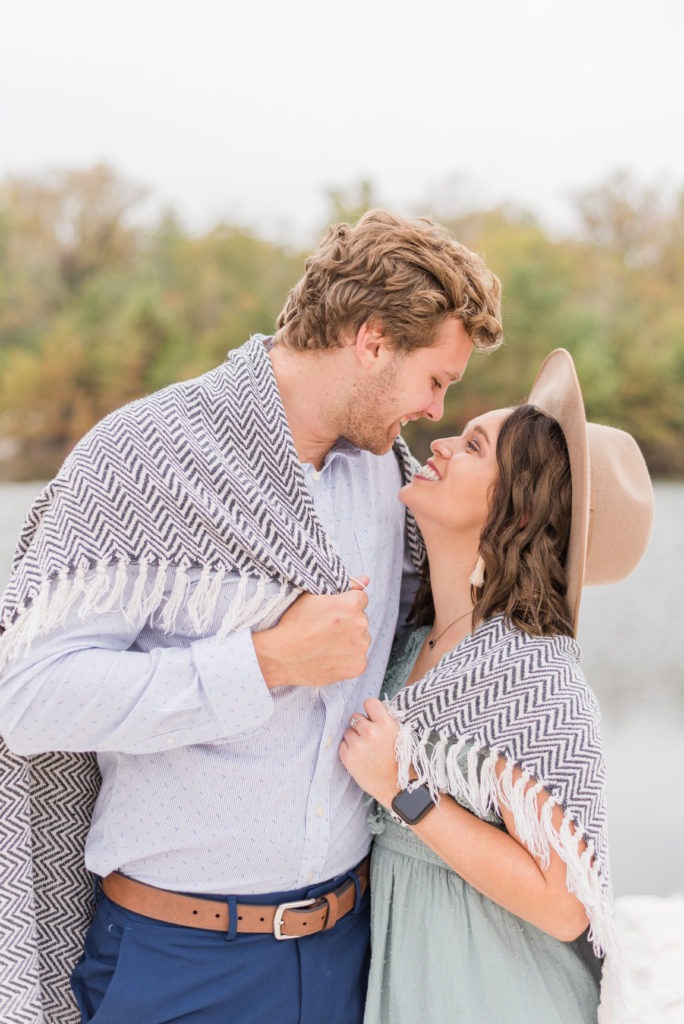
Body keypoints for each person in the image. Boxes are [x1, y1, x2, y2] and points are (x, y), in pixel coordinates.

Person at [0, 209, 502, 1024]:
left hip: (346, 951)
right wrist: (265, 661)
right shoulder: (141, 456)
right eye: (437, 380)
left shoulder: (390, 484)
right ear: (372, 340)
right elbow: (26, 700)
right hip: (176, 961)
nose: (437, 411)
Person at [340, 348, 654, 1024]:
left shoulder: (533, 677)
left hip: (498, 995)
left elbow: (564, 902)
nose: (443, 442)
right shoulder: (407, 641)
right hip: (416, 981)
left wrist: (403, 788)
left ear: (514, 514)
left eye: (474, 444)